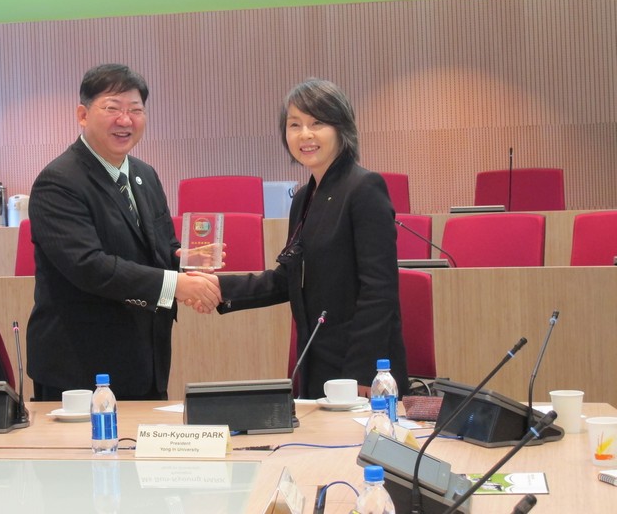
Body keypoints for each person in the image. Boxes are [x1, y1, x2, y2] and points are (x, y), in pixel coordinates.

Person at [27, 63, 221, 401]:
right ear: (83, 115)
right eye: (112, 108)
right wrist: (177, 285)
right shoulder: (58, 182)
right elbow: (90, 267)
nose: (125, 120)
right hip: (80, 368)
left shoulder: (145, 175)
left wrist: (183, 260)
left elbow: (159, 248)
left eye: (135, 110)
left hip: (146, 359)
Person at [216, 78, 409, 399]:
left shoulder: (364, 188)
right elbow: (286, 279)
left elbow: (380, 291)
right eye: (295, 125)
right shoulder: (305, 196)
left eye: (317, 123)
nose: (305, 134)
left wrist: (361, 377)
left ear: (341, 128)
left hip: (360, 370)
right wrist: (217, 289)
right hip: (316, 358)